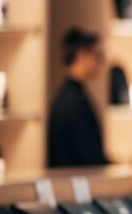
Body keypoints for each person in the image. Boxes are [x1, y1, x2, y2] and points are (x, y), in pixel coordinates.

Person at [47, 27, 111, 168]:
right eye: (98, 56)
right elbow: (90, 156)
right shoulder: (74, 102)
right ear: (82, 55)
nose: (100, 63)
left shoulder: (68, 96)